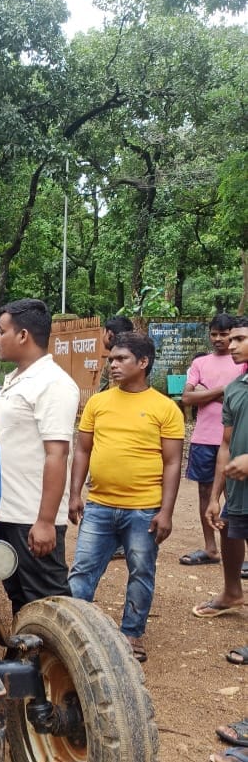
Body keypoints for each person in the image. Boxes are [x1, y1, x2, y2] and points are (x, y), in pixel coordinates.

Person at [68, 331, 184, 663]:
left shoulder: (165, 408)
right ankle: (74, 630)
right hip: (99, 505)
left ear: (143, 362)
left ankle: (132, 633)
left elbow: (173, 462)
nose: (113, 365)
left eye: (121, 359)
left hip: (144, 509)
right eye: (111, 359)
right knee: (82, 571)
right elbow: (82, 450)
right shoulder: (98, 402)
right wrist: (74, 494)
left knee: (141, 571)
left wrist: (166, 511)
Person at [0, 298, 79, 615]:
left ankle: (63, 651)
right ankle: (27, 647)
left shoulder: (53, 384)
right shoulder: (17, 379)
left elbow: (57, 454)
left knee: (51, 604)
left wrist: (45, 522)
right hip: (9, 512)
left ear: (23, 335)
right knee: (20, 597)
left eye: (1, 331)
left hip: (31, 515)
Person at [207, 316, 248, 762]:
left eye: (239, 338)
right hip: (239, 495)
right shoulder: (236, 388)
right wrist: (215, 495)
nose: (231, 345)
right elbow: (226, 444)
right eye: (230, 338)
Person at [181, 315, 244, 578]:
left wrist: (206, 393)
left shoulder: (241, 362)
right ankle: (210, 548)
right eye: (214, 334)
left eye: (225, 334)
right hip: (203, 439)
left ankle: (239, 556)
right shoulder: (200, 363)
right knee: (206, 494)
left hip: (235, 440)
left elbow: (235, 397)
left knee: (236, 496)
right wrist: (223, 389)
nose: (219, 339)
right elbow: (187, 397)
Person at [98, 315, 133, 391]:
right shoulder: (135, 356)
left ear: (109, 334)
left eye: (103, 332)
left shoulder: (115, 361)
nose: (102, 336)